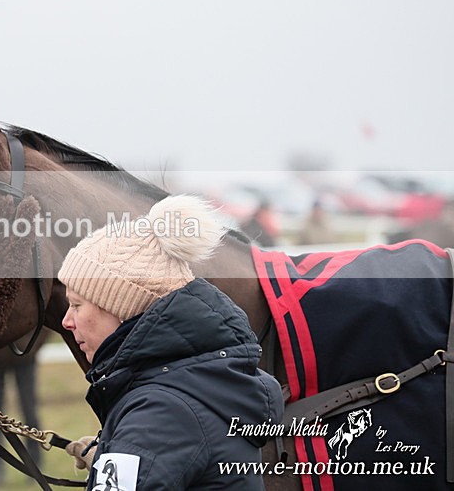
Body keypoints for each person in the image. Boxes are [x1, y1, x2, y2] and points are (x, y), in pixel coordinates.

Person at [58, 195, 284, 490]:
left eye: (76, 304)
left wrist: (128, 455)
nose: (66, 321)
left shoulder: (160, 415)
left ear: (121, 308)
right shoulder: (188, 388)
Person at [0, 335, 46, 489]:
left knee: (30, 413)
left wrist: (32, 347)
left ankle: (35, 469)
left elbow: (46, 321)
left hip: (24, 357)